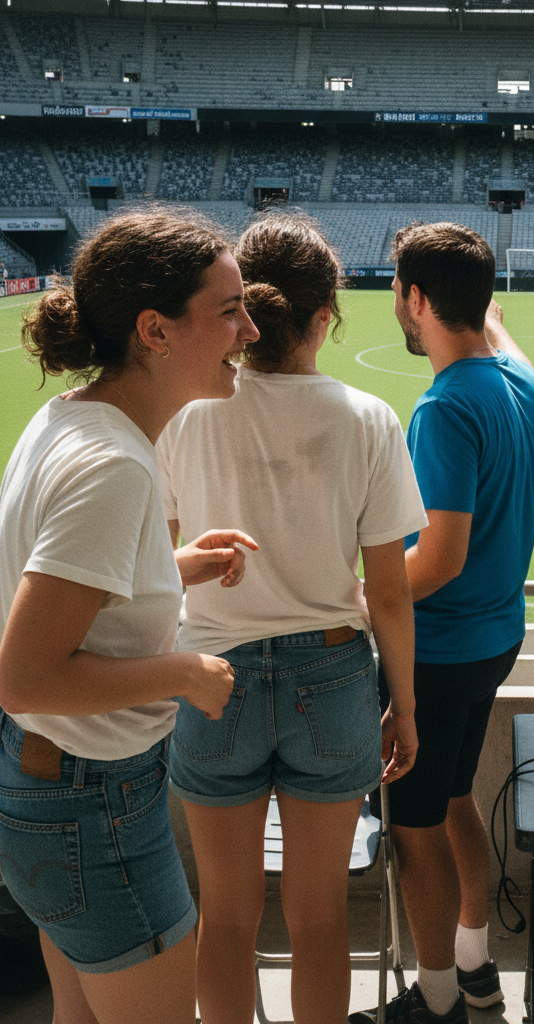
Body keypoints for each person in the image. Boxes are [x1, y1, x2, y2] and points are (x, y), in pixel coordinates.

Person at [156, 214, 423, 1024]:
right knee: (321, 922)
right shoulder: (368, 416)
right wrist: (403, 708)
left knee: (226, 919)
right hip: (333, 678)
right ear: (325, 316)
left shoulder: (186, 412)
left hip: (212, 679)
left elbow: (164, 563)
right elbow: (387, 592)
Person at [0, 209, 258, 1023]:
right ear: (154, 329)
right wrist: (185, 671)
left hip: (51, 788)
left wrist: (172, 568)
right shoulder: (113, 465)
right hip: (89, 803)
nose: (249, 328)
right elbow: (26, 674)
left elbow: (65, 593)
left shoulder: (74, 419)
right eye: (228, 310)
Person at [358, 221, 534, 1024]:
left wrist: (356, 597)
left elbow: (437, 558)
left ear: (415, 299)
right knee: (456, 796)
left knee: (415, 825)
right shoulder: (520, 382)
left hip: (439, 651)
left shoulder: (442, 409)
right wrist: (478, 300)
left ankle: (435, 1002)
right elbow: (494, 326)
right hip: (495, 639)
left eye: (401, 294)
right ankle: (472, 960)